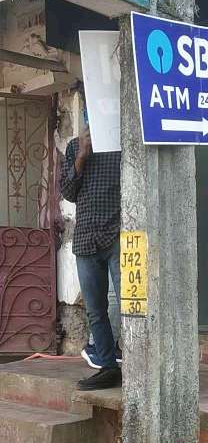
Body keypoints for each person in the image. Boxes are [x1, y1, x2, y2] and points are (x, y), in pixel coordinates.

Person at [60, 125, 122, 391]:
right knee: (95, 310)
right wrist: (82, 155)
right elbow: (68, 192)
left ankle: (141, 368)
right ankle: (108, 367)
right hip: (86, 238)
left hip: (119, 235)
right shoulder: (75, 146)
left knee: (131, 307)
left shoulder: (124, 143)